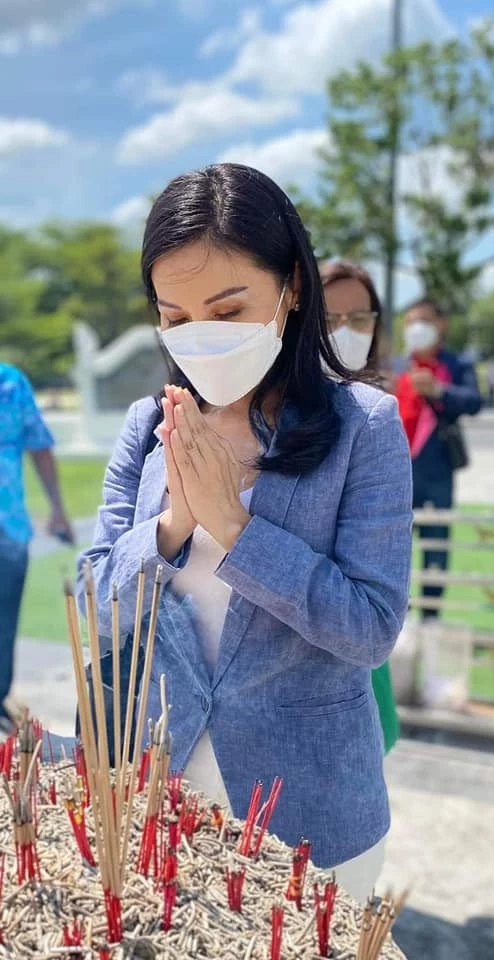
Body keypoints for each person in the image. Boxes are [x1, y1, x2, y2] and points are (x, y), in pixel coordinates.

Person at [77, 164, 413, 899]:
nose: (202, 339)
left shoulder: (364, 428)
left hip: (312, 814)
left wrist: (234, 526)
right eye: (176, 318)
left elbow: (369, 630)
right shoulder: (148, 427)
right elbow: (93, 610)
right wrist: (172, 525)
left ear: (291, 287)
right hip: (156, 801)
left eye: (228, 311)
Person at [320, 259, 399, 755]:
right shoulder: (273, 410)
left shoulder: (379, 411)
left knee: (369, 741)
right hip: (303, 620)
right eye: (330, 318)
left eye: (360, 318)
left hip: (359, 612)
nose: (345, 331)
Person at [396, 298, 482, 619]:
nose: (415, 329)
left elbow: (474, 401)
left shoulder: (456, 364)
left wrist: (440, 391)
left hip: (437, 472)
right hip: (396, 472)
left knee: (436, 543)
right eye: (409, 322)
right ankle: (395, 618)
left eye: (423, 321)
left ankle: (431, 616)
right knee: (393, 546)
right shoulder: (397, 366)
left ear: (441, 324)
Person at [0, 362, 74, 729]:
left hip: (9, 525)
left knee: (5, 620)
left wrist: (58, 510)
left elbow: (40, 446)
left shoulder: (11, 384)